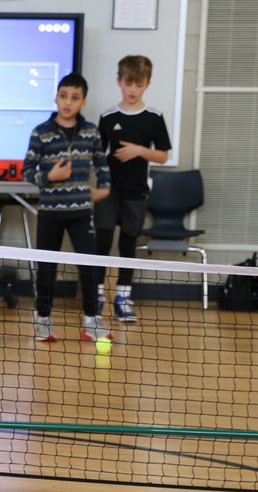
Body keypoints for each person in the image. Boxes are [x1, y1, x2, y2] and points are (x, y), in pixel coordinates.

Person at [22, 72, 113, 343]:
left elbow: (102, 164)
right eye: (63, 96)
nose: (68, 102)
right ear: (56, 97)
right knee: (47, 267)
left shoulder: (90, 132)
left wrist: (104, 188)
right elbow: (27, 171)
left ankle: (91, 320)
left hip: (81, 213)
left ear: (83, 102)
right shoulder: (41, 132)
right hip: (50, 212)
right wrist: (50, 177)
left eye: (74, 98)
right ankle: (43, 319)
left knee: (89, 266)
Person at [95, 55, 172, 323]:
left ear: (147, 84)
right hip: (108, 191)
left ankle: (123, 297)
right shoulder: (107, 117)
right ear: (119, 81)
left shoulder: (153, 117)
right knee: (102, 242)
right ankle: (96, 294)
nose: (132, 89)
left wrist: (139, 151)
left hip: (136, 192)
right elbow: (97, 155)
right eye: (128, 83)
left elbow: (163, 156)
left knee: (128, 244)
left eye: (138, 84)